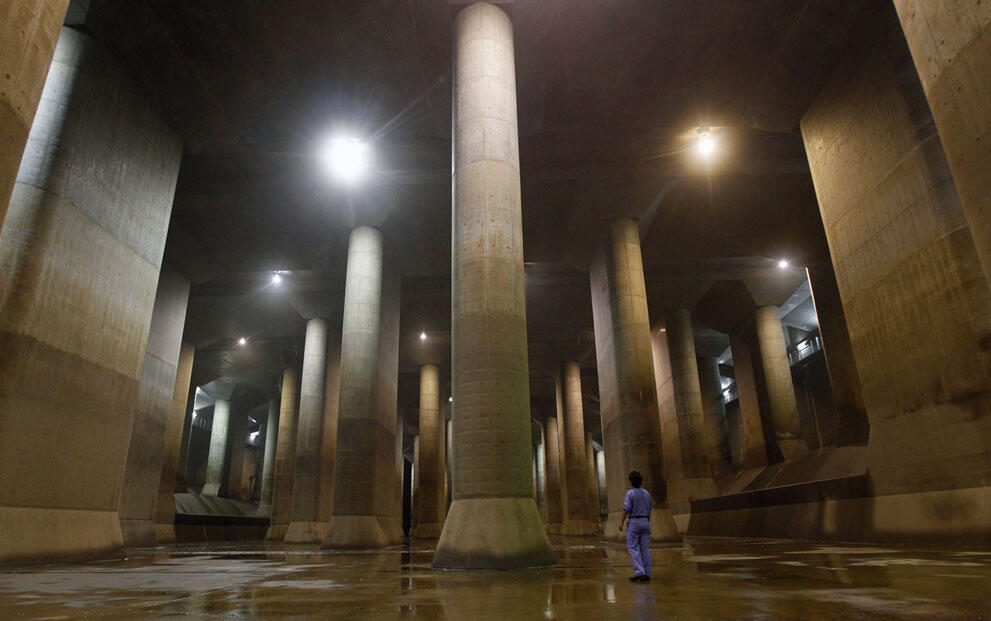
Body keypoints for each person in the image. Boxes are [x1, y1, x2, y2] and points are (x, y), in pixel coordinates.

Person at [618, 470, 652, 582]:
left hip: (634, 522)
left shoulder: (630, 493)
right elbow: (650, 510)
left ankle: (639, 572)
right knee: (645, 549)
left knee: (633, 547)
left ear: (631, 482)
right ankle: (647, 573)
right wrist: (647, 521)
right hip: (645, 521)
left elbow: (626, 508)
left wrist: (621, 522)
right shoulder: (647, 494)